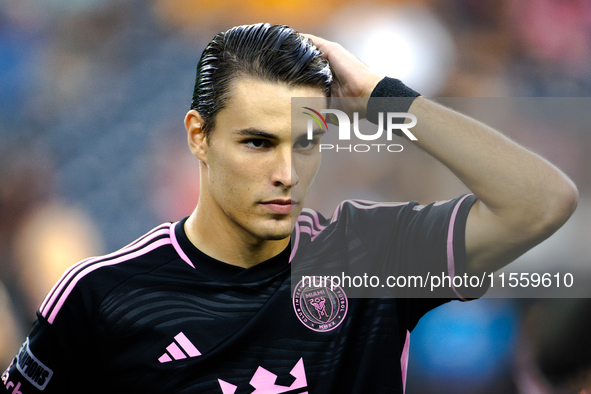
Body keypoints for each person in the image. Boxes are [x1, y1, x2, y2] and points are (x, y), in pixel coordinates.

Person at [1, 23, 578, 394]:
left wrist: (385, 98)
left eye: (305, 142)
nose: (286, 172)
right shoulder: (102, 296)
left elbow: (542, 202)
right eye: (257, 142)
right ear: (199, 137)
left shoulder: (369, 258)